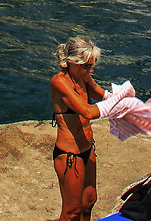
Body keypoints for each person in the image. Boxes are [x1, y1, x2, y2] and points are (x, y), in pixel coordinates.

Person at [50, 36, 104, 221]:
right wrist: (116, 107)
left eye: (91, 65)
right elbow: (88, 111)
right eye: (86, 66)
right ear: (71, 62)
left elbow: (100, 94)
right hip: (69, 155)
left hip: (87, 149)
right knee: (71, 211)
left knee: (88, 202)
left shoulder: (83, 75)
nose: (90, 70)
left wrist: (122, 97)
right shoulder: (60, 82)